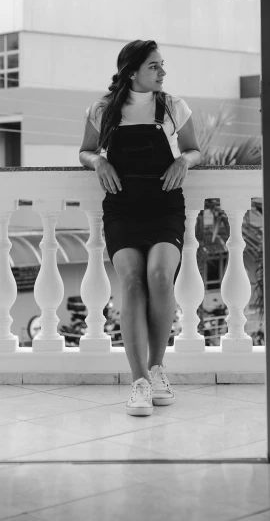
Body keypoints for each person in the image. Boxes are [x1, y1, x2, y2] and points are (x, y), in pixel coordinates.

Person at [79, 40, 202, 416]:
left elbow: (196, 149)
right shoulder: (102, 109)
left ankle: (157, 368)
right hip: (122, 206)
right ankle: (139, 383)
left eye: (162, 65)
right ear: (132, 71)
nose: (162, 72)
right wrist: (98, 163)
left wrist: (184, 160)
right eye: (154, 66)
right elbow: (85, 150)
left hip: (165, 204)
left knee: (161, 275)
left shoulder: (173, 106)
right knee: (132, 281)